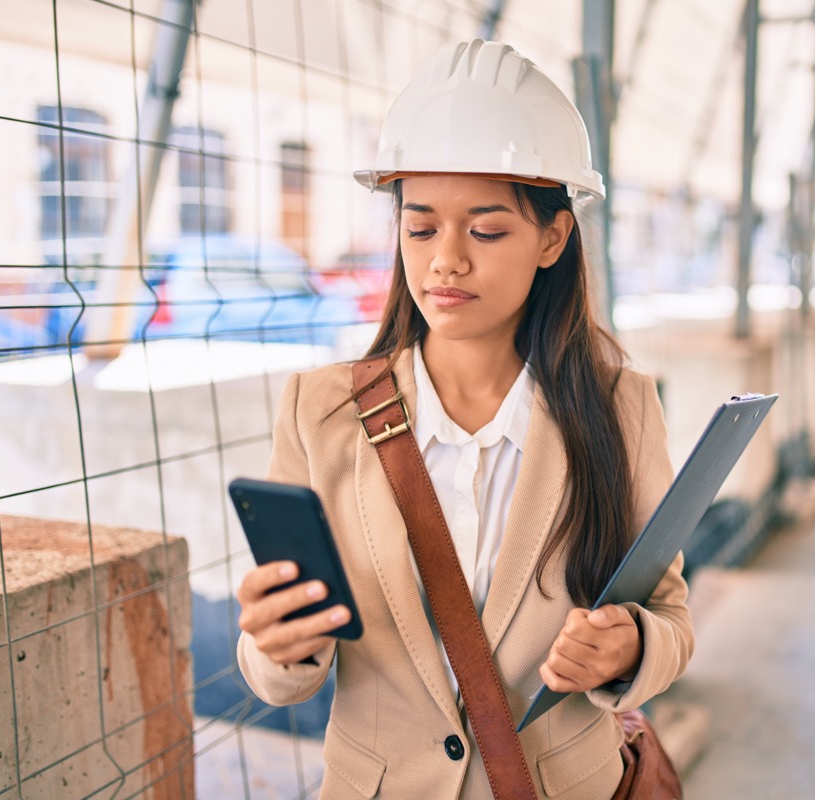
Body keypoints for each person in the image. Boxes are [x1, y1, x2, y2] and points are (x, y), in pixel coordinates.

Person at [235, 38, 693, 800]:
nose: (446, 260)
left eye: (485, 230)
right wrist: (279, 647)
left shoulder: (621, 408)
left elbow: (670, 616)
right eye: (420, 228)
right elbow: (277, 675)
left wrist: (632, 647)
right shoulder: (320, 412)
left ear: (553, 237)